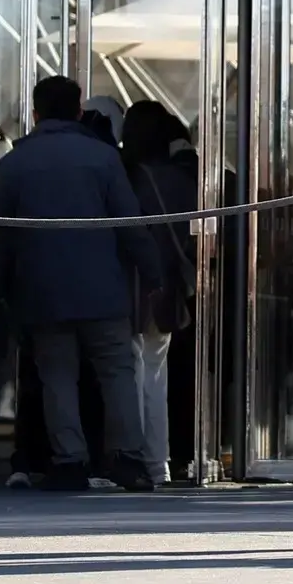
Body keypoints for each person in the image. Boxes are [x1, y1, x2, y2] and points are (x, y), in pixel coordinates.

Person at [0, 76, 160, 493]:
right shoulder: (104, 158)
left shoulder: (15, 162)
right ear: (79, 111)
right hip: (103, 289)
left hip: (42, 290)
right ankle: (128, 459)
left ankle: (69, 461)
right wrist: (154, 273)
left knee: (57, 375)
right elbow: (131, 223)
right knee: (117, 372)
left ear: (35, 113)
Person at [118, 100, 198, 486]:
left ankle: (136, 457)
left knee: (133, 370)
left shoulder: (129, 175)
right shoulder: (182, 178)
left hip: (131, 283)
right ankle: (159, 462)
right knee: (155, 372)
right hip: (168, 286)